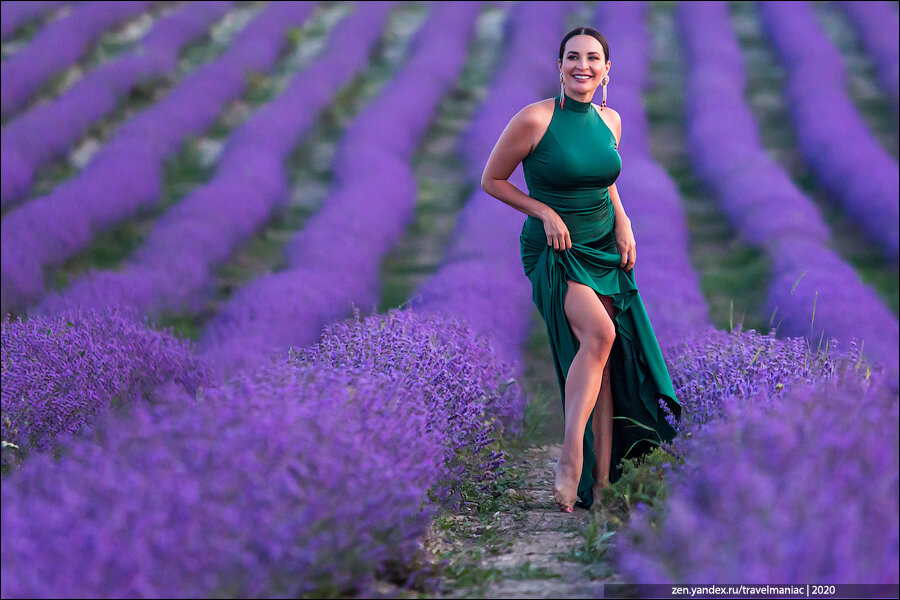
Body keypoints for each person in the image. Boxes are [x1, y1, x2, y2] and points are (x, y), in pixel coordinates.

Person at [480, 27, 682, 513]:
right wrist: (544, 212)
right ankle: (570, 458)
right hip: (556, 249)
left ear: (607, 69)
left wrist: (625, 221)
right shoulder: (535, 118)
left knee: (604, 365)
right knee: (600, 336)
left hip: (603, 247)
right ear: (560, 65)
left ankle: (603, 483)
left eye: (593, 58)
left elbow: (604, 182)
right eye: (573, 57)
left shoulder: (611, 120)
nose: (582, 66)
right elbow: (492, 180)